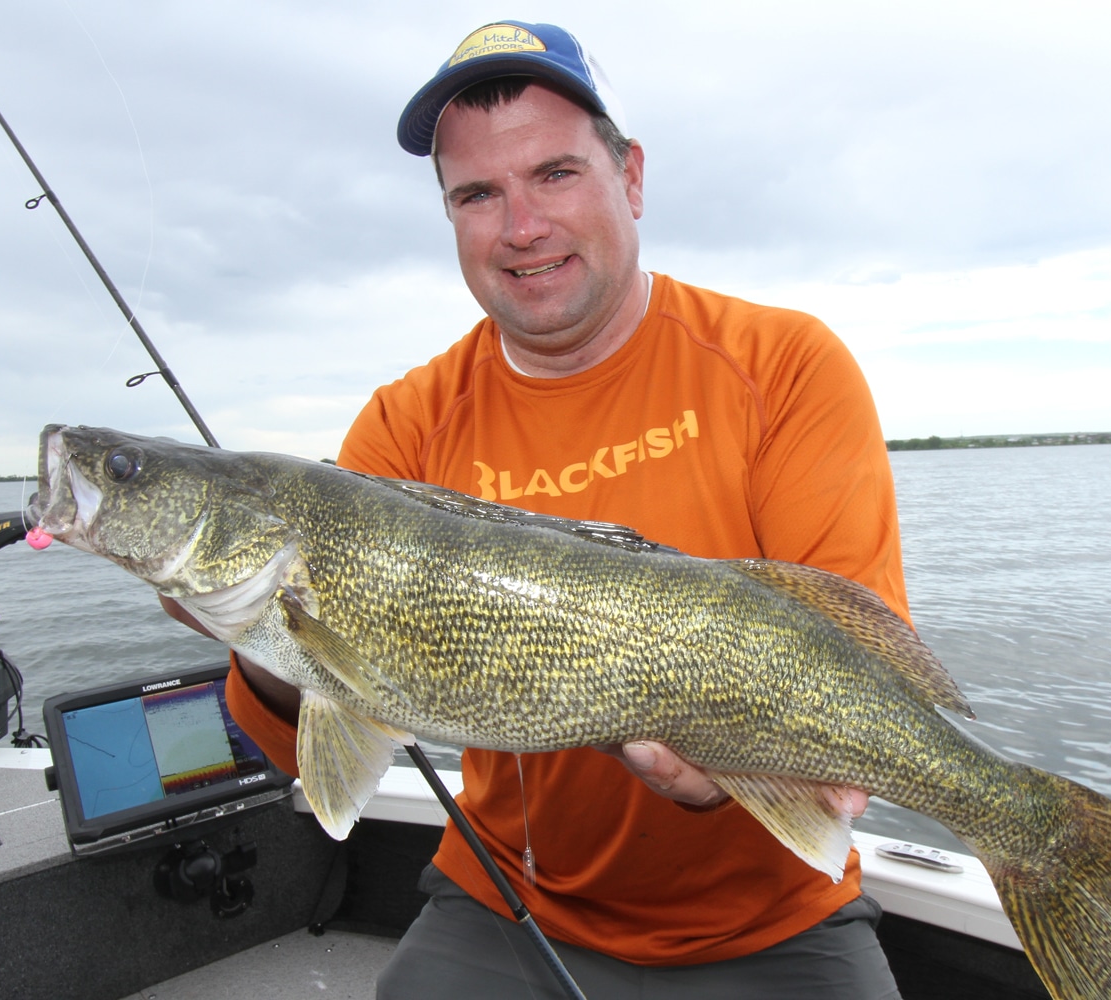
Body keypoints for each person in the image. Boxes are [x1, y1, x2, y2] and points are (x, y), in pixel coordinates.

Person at [178, 20, 911, 999]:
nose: (521, 226)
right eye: (478, 194)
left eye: (555, 174)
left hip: (775, 918)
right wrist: (265, 626)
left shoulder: (785, 367)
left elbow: (858, 668)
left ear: (632, 178)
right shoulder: (404, 429)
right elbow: (314, 734)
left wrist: (744, 765)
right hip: (507, 903)